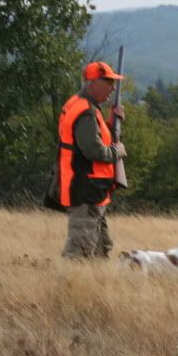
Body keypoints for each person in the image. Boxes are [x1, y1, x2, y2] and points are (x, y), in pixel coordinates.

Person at [51, 61, 127, 259]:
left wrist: (111, 124)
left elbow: (93, 140)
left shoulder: (84, 107)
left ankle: (93, 288)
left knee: (100, 249)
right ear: (93, 83)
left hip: (92, 191)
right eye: (108, 82)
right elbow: (93, 150)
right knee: (79, 253)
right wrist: (116, 151)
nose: (113, 88)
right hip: (85, 190)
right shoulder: (86, 111)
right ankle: (70, 288)